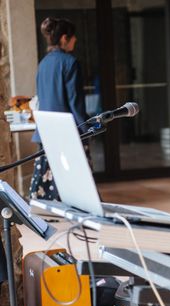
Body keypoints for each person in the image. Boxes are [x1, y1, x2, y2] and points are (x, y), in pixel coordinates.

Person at [31, 16, 88, 200]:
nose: (75, 40)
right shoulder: (70, 63)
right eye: (73, 37)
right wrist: (87, 130)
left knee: (46, 188)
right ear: (64, 38)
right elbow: (75, 102)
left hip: (46, 130)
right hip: (66, 131)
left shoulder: (43, 64)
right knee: (76, 187)